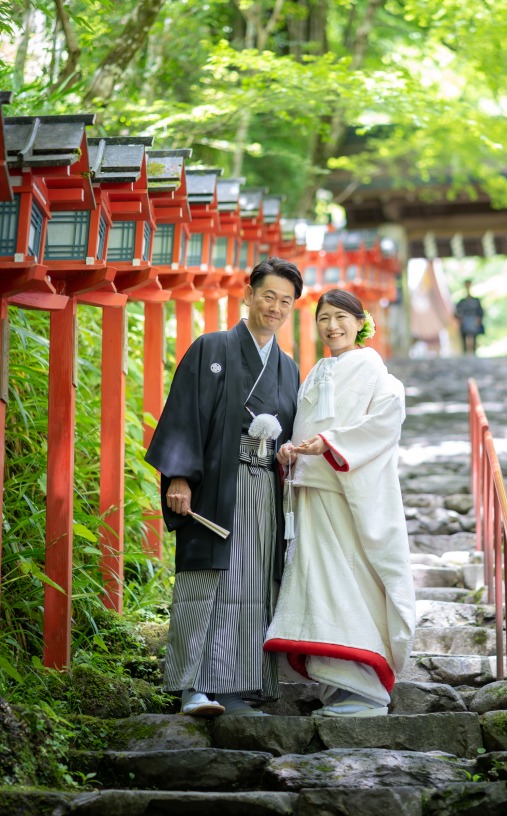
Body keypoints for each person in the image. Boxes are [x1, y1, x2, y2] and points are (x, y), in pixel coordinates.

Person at [144, 256, 303, 717]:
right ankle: (192, 687)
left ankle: (236, 688)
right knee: (204, 580)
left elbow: (292, 433)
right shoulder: (210, 348)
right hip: (215, 484)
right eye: (269, 296)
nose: (275, 307)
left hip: (263, 490)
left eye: (286, 302)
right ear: (248, 295)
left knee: (253, 586)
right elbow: (185, 414)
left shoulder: (288, 368)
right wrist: (178, 476)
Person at [264, 289, 415, 717]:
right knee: (316, 585)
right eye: (324, 318)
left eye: (342, 317)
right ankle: (337, 688)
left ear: (360, 321)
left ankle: (364, 689)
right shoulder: (315, 373)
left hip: (348, 495)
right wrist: (292, 451)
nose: (333, 326)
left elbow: (383, 426)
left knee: (348, 584)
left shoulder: (378, 375)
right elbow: (302, 427)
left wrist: (330, 444)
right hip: (312, 492)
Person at [454, 279, 485, 354]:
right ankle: (465, 353)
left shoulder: (476, 301)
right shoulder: (461, 302)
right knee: (464, 337)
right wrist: (459, 319)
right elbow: (456, 313)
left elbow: (480, 311)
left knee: (474, 337)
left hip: (473, 321)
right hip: (465, 321)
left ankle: (474, 352)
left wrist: (479, 319)